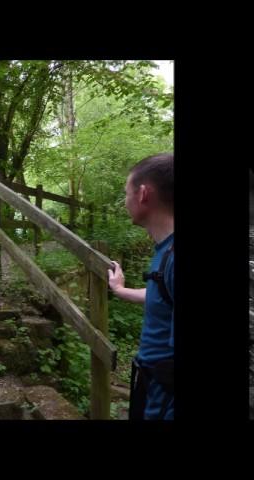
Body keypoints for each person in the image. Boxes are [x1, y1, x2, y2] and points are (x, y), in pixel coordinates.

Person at [107, 152, 174, 420]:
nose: (125, 201)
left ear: (143, 194)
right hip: (151, 387)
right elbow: (163, 296)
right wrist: (120, 290)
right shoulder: (165, 250)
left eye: (127, 193)